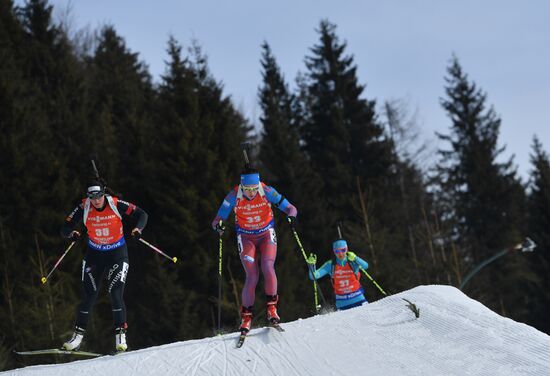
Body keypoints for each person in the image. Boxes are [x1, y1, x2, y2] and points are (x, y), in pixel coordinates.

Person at [60, 179, 148, 352]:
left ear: (104, 194)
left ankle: (120, 336)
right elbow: (65, 227)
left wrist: (138, 229)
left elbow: (142, 215)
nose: (96, 200)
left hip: (117, 254)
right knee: (88, 296)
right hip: (94, 256)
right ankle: (77, 338)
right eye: (92, 197)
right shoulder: (84, 207)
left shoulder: (115, 203)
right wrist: (71, 233)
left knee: (115, 293)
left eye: (99, 196)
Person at [211, 168, 297, 333]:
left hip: (266, 235)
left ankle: (272, 309)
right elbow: (216, 220)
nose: (251, 193)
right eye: (247, 189)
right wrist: (219, 227)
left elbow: (291, 208)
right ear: (242, 187)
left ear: (258, 184)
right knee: (252, 276)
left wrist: (291, 217)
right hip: (246, 238)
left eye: (253, 188)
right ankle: (246, 318)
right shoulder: (233, 195)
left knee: (268, 267)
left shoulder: (267, 191)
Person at [306, 239, 369, 310]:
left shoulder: (352, 262)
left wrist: (356, 258)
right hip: (342, 304)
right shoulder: (330, 265)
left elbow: (366, 266)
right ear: (334, 251)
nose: (340, 254)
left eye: (343, 250)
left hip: (359, 300)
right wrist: (311, 265)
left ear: (347, 249)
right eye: (337, 251)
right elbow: (313, 276)